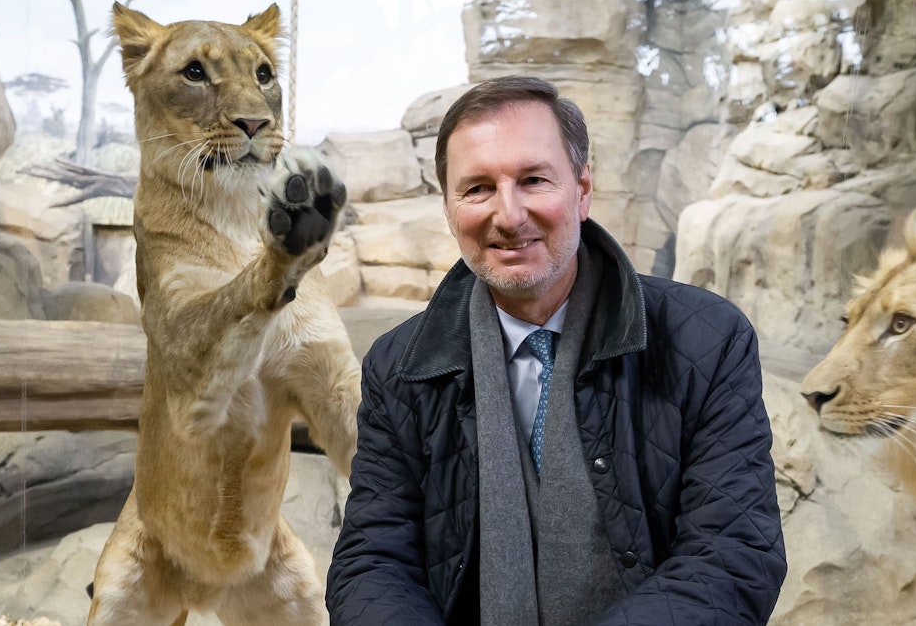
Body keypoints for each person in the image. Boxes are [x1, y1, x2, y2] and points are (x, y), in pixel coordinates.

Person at [326, 75, 787, 625]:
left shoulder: (707, 341)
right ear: (449, 210)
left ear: (583, 189)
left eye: (534, 179)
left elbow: (732, 557)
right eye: (477, 189)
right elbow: (372, 562)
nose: (509, 214)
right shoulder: (397, 368)